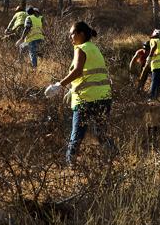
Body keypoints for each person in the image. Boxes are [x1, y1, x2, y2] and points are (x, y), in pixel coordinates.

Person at [50, 21, 116, 166]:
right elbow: (89, 75)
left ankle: (70, 167)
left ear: (81, 34)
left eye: (72, 33)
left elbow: (78, 71)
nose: (70, 37)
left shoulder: (81, 48)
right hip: (103, 98)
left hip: (85, 99)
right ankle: (114, 161)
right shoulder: (94, 49)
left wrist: (59, 85)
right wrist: (72, 89)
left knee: (76, 137)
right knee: (102, 134)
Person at [138, 29, 160, 100]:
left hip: (159, 64)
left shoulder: (154, 40)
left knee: (154, 80)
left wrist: (149, 57)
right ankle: (156, 97)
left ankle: (151, 97)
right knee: (159, 82)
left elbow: (154, 47)